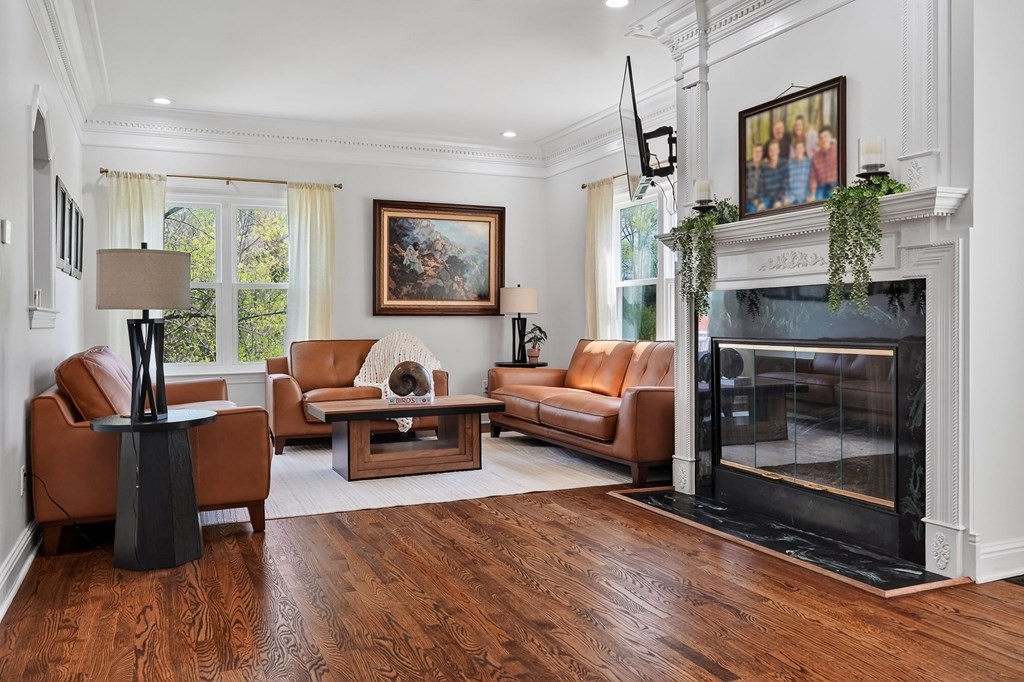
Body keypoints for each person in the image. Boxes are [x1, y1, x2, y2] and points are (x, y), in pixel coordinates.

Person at [808, 126, 838, 200]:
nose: (823, 140)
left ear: (830, 137)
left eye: (826, 136)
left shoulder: (838, 151)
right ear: (819, 141)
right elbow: (813, 177)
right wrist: (812, 193)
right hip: (822, 187)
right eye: (821, 138)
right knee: (817, 201)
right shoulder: (815, 157)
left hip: (836, 185)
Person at [759, 139, 787, 210]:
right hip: (766, 200)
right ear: (768, 152)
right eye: (771, 150)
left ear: (778, 150)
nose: (773, 152)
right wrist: (762, 202)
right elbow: (761, 187)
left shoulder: (784, 164)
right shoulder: (763, 166)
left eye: (775, 149)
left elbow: (785, 185)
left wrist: (778, 200)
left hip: (779, 199)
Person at [784, 139, 812, 205]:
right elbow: (786, 183)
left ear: (804, 149)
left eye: (801, 148)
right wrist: (786, 197)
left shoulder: (809, 163)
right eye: (797, 148)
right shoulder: (789, 164)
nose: (799, 150)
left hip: (805, 197)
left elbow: (812, 180)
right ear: (794, 150)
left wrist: (810, 195)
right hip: (791, 198)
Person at [745, 142, 766, 214]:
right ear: (752, 153)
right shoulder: (746, 167)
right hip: (748, 201)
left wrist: (760, 201)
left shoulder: (764, 167)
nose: (758, 154)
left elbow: (764, 188)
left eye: (760, 152)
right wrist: (754, 201)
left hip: (761, 200)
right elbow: (744, 189)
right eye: (756, 152)